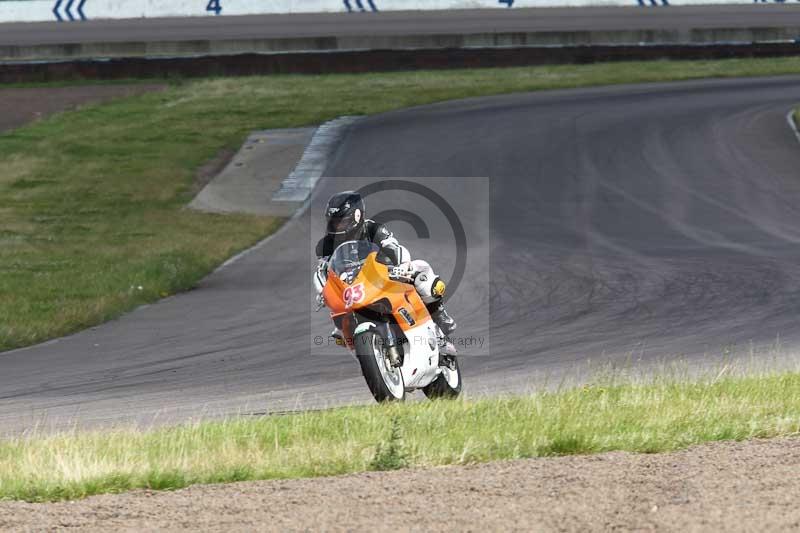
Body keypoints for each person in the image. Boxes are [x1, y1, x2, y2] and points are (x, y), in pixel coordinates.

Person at [315, 190, 456, 336]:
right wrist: (323, 291)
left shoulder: (373, 229)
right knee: (339, 334)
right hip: (352, 288)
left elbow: (394, 247)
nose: (337, 227)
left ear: (357, 216)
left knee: (420, 269)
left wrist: (402, 265)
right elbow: (323, 271)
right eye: (333, 223)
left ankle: (437, 312)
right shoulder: (324, 245)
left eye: (341, 222)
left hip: (383, 274)